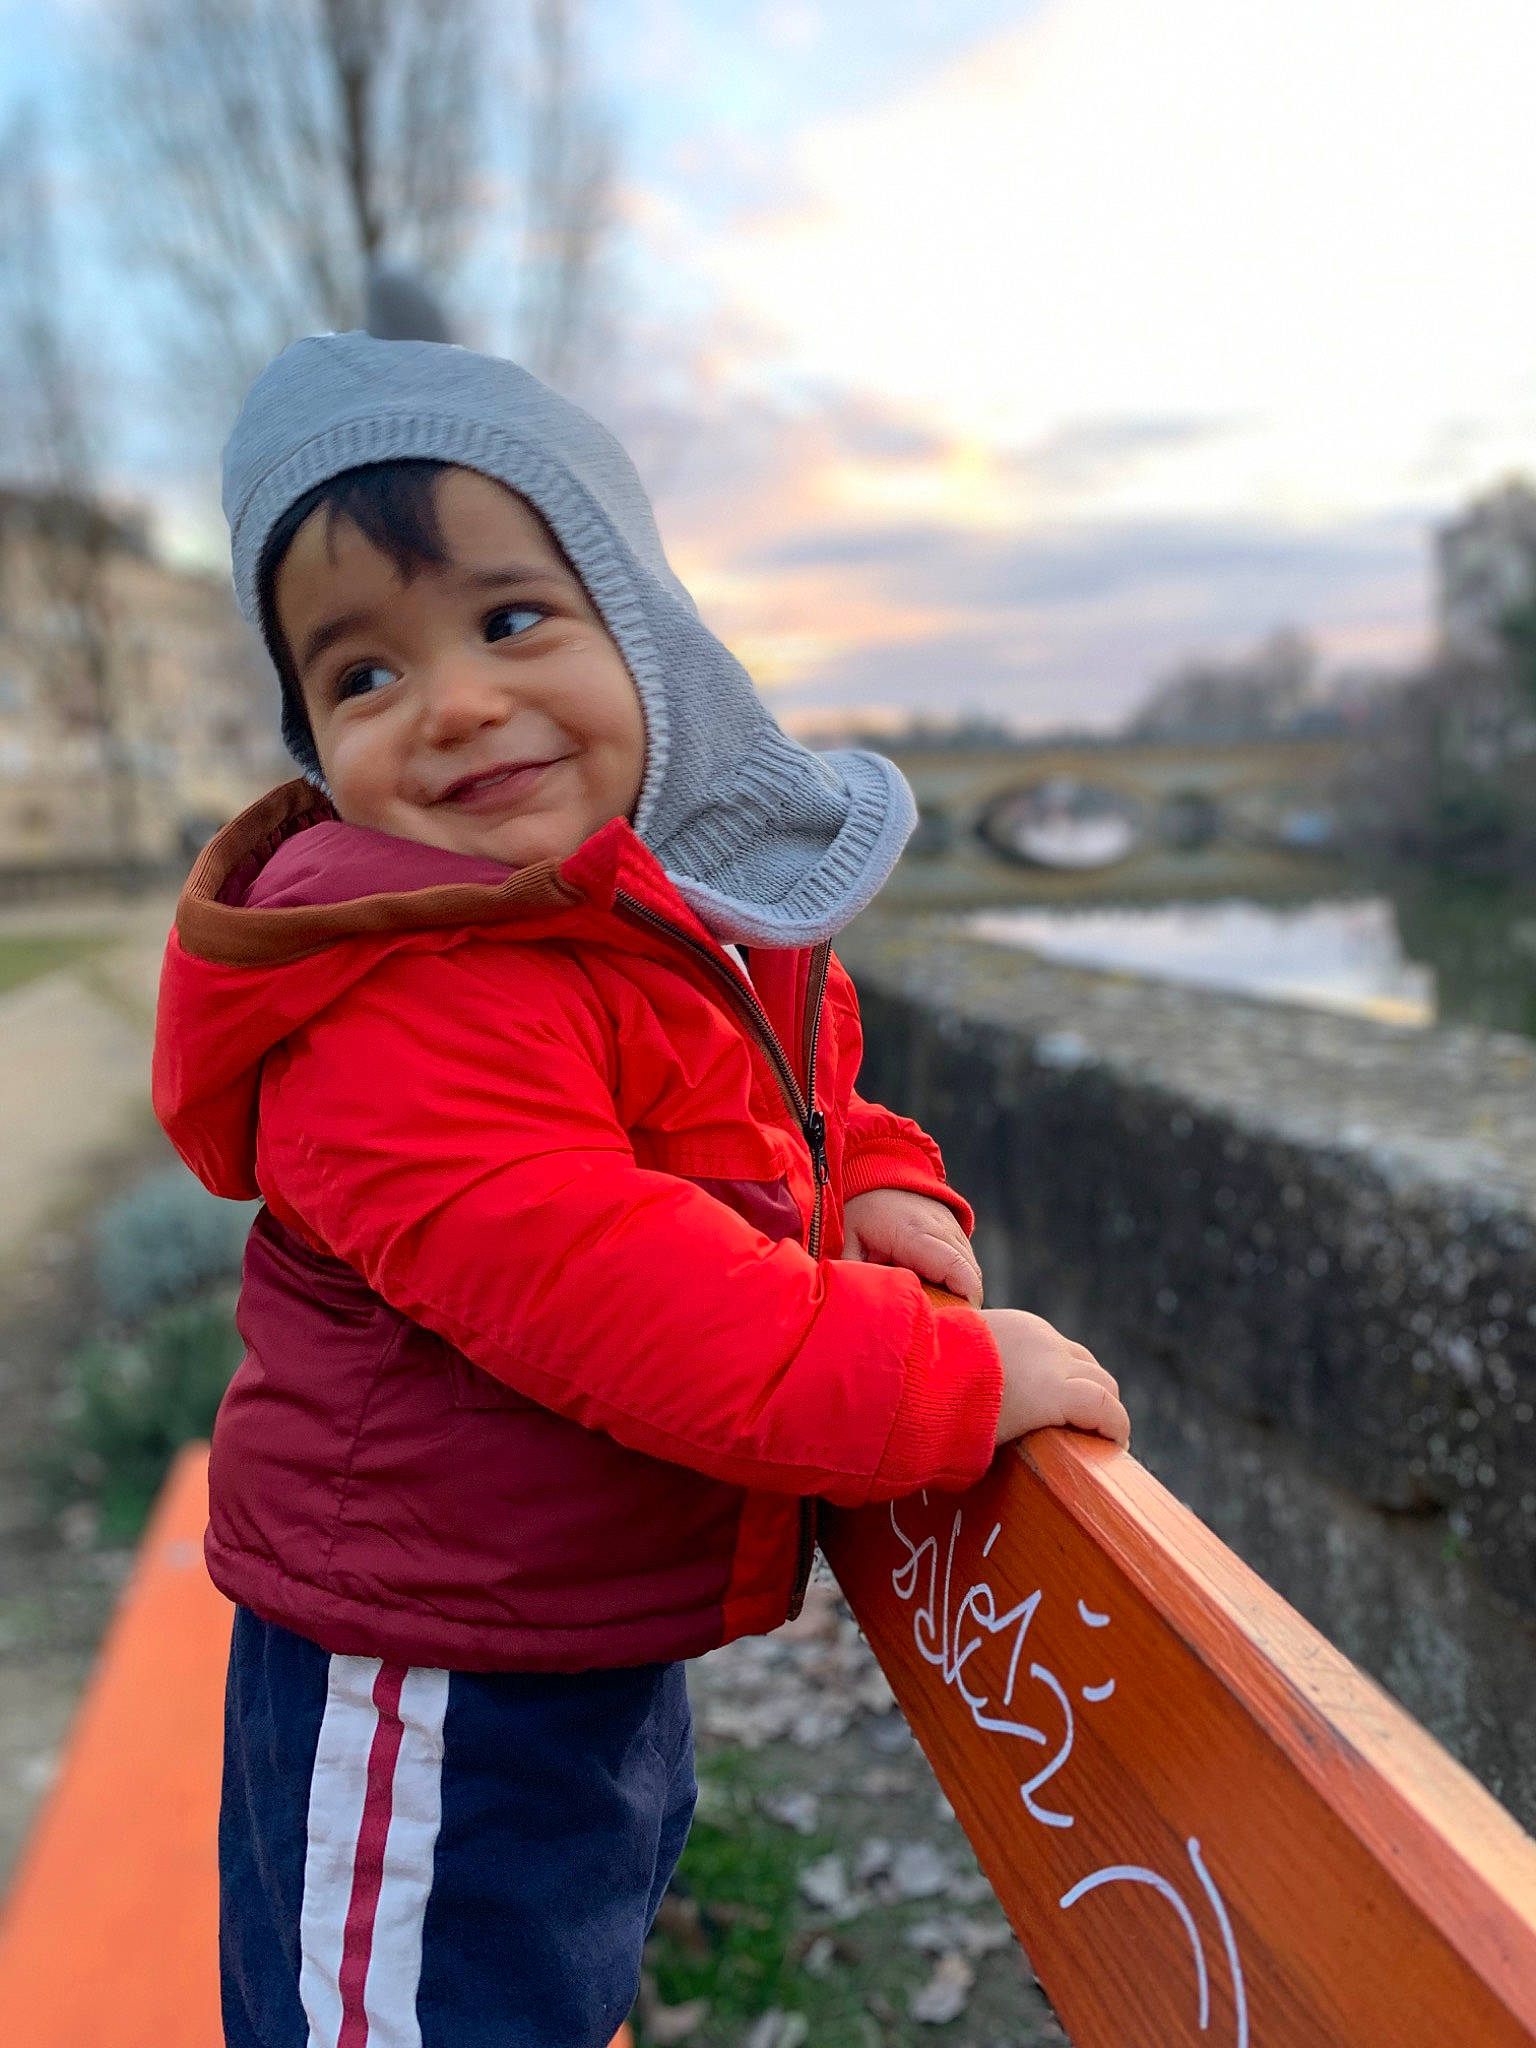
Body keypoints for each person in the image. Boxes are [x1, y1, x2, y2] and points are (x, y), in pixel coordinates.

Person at [152, 331, 1129, 2048]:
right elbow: (614, 1285)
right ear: (310, 738)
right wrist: (948, 1384)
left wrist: (883, 1187)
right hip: (422, 1656)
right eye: (363, 674)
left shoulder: (635, 906)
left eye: (510, 620)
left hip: (565, 1624)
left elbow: (783, 1083)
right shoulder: (397, 993)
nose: (451, 701)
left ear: (644, 635)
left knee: (548, 1979)